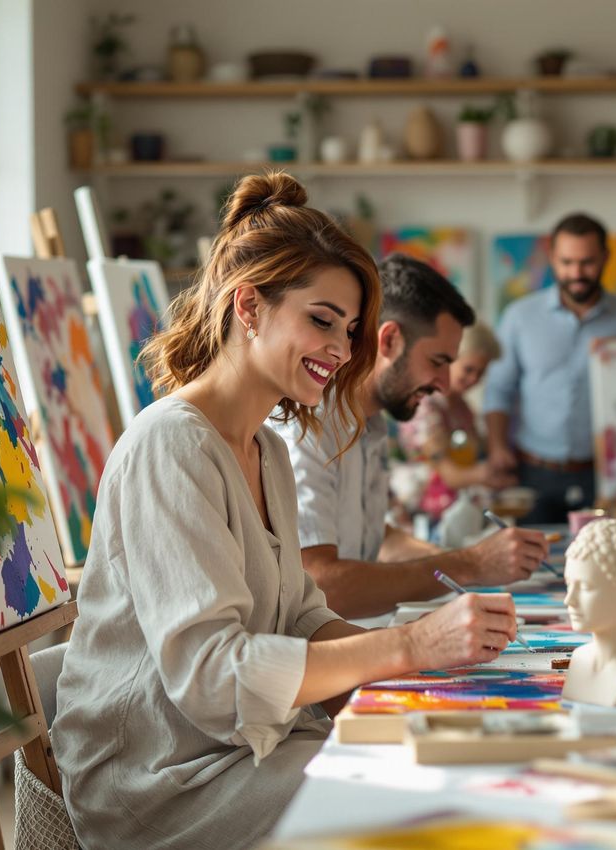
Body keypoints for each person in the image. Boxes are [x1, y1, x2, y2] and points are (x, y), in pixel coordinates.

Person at [54, 173, 519, 850]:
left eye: (350, 328)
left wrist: (418, 675)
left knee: (459, 769)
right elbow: (213, 674)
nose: (339, 347)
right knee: (437, 813)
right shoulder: (171, 446)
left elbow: (300, 616)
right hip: (162, 782)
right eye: (321, 319)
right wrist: (410, 645)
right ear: (248, 306)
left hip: (245, 747)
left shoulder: (266, 448)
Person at [273, 254, 549, 620]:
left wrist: (465, 561)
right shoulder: (308, 426)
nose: (445, 384)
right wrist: (469, 563)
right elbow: (323, 584)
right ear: (389, 341)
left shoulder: (369, 425)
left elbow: (374, 540)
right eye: (438, 361)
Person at [483, 213, 616, 523]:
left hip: (608, 474)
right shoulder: (519, 317)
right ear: (551, 258)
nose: (576, 272)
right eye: (566, 262)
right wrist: (497, 447)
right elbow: (498, 389)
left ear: (605, 257)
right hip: (533, 473)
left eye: (587, 262)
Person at [395, 322, 514, 522]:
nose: (474, 379)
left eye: (481, 373)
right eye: (469, 369)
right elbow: (449, 475)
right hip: (423, 516)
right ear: (449, 359)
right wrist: (486, 474)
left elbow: (475, 455)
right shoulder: (424, 404)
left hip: (458, 514)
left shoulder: (462, 408)